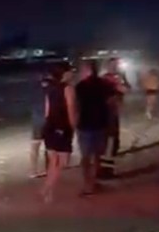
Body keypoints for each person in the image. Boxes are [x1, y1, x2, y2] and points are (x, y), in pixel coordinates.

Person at [75, 60, 115, 195]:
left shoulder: (80, 86)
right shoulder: (105, 84)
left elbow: (76, 106)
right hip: (101, 124)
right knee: (97, 155)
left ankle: (88, 184)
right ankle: (93, 182)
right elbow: (112, 104)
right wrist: (111, 123)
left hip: (85, 125)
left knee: (86, 157)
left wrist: (74, 123)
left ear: (87, 70)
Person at [40, 64, 77, 202]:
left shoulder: (50, 89)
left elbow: (47, 111)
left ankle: (48, 192)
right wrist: (73, 126)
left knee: (53, 162)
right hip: (62, 127)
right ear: (64, 74)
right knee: (63, 162)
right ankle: (46, 189)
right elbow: (71, 108)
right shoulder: (68, 88)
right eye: (70, 71)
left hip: (49, 126)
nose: (72, 74)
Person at [101, 58, 131, 178]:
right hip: (108, 114)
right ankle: (105, 170)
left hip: (113, 113)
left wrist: (123, 77)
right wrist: (120, 81)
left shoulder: (118, 78)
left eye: (116, 65)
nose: (115, 67)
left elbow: (127, 89)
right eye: (113, 65)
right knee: (110, 141)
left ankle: (108, 168)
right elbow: (123, 89)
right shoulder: (106, 79)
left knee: (113, 142)